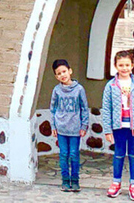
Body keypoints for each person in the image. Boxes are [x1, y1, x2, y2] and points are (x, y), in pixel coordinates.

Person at [102, 50, 134, 201]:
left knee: (133, 154)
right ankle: (116, 182)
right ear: (115, 66)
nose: (124, 68)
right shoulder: (110, 86)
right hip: (118, 127)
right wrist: (107, 129)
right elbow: (106, 109)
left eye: (127, 65)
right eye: (121, 65)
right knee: (118, 154)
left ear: (132, 66)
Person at [50, 59, 89, 192]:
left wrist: (84, 126)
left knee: (73, 154)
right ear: (56, 76)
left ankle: (75, 180)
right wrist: (53, 126)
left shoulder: (79, 89)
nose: (62, 75)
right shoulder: (56, 90)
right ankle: (65, 180)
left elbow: (84, 108)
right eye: (59, 73)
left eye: (64, 71)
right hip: (61, 129)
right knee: (63, 154)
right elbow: (53, 109)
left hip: (75, 129)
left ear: (70, 71)